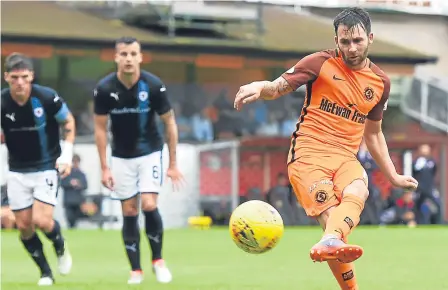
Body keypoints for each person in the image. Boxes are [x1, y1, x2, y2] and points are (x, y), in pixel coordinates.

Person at [234, 8, 418, 290]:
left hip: (345, 155)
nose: (351, 48)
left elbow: (374, 133)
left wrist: (393, 176)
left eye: (357, 41)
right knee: (332, 221)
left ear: (370, 38)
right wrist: (262, 86)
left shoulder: (381, 83)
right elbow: (278, 87)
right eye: (344, 42)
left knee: (358, 189)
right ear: (336, 40)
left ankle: (330, 240)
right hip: (308, 153)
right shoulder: (319, 62)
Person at [93, 37, 184, 285]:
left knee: (148, 203)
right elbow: (100, 129)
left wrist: (173, 164)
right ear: (116, 58)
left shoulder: (154, 86)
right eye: (123, 54)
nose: (129, 59)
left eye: (133, 54)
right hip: (121, 157)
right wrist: (104, 167)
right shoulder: (104, 89)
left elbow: (170, 122)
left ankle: (158, 261)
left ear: (141, 57)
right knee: (129, 210)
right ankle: (136, 270)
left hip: (150, 152)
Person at [1, 53, 75, 286]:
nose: (20, 82)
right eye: (15, 77)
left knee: (42, 221)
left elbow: (68, 122)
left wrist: (67, 155)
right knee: (24, 227)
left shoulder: (46, 98)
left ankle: (60, 245)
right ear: (6, 78)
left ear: (31, 76)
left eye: (24, 77)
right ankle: (45, 272)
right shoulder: (2, 103)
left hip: (46, 167)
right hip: (17, 171)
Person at [61, 154, 88, 228]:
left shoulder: (82, 174)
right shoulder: (67, 173)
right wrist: (70, 183)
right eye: (74, 161)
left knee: (76, 218)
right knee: (70, 217)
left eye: (77, 162)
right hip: (68, 200)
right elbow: (62, 183)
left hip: (78, 201)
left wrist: (78, 184)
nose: (75, 163)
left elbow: (85, 186)